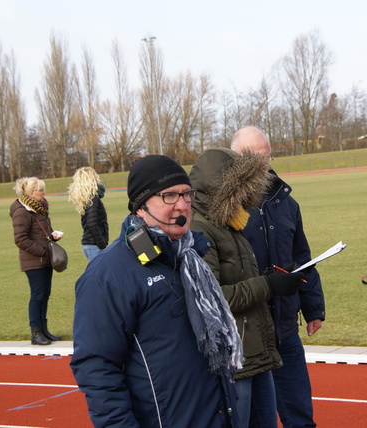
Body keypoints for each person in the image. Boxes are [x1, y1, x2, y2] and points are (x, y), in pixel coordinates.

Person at [70, 155, 243, 428]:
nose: (182, 205)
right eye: (169, 196)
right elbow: (97, 368)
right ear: (140, 206)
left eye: (187, 194)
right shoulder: (108, 275)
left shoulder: (191, 257)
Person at [188, 147, 307, 428]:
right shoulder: (200, 228)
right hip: (232, 359)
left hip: (254, 352)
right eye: (241, 187)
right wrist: (269, 284)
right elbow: (212, 298)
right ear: (223, 188)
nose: (248, 196)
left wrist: (273, 277)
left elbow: (237, 279)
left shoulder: (230, 222)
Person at [231, 126, 325, 428]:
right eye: (253, 158)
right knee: (256, 420)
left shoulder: (287, 203)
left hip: (285, 329)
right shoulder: (225, 209)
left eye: (266, 157)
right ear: (235, 160)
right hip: (247, 334)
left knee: (300, 414)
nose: (262, 166)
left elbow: (302, 258)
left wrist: (313, 308)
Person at [9, 177, 64, 346]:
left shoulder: (39, 208)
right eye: (41, 190)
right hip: (34, 260)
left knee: (44, 295)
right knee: (37, 295)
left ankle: (44, 329)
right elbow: (20, 239)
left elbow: (41, 232)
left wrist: (53, 235)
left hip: (45, 258)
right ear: (31, 193)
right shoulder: (22, 211)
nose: (44, 193)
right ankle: (36, 332)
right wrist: (42, 251)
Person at [68, 166, 109, 261]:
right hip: (94, 245)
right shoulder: (93, 199)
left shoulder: (88, 198)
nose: (98, 179)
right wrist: (102, 245)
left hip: (91, 244)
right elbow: (92, 224)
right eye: (96, 176)